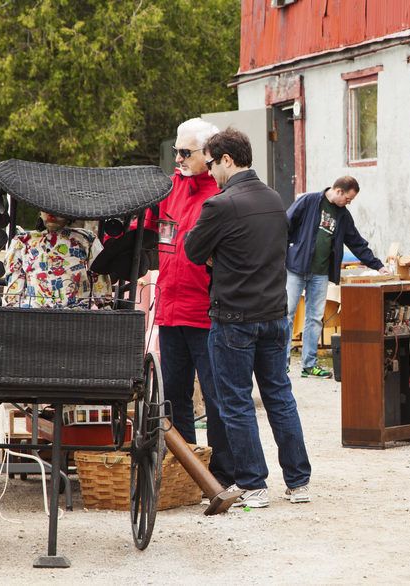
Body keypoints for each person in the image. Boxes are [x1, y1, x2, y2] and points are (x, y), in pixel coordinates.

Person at [184, 128, 312, 508]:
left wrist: (216, 256)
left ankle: (254, 484)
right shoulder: (274, 199)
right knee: (279, 397)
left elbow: (192, 250)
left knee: (235, 401)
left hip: (234, 316)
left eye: (211, 164)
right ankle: (298, 481)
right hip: (274, 314)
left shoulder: (221, 204)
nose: (209, 172)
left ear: (226, 159)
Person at [143, 118, 235, 489]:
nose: (178, 158)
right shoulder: (170, 188)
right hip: (171, 311)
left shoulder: (221, 192)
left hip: (208, 313)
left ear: (208, 153)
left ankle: (223, 473)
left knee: (216, 399)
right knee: (175, 398)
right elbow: (146, 228)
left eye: (185, 153)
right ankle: (185, 470)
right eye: (175, 151)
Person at [285, 176, 388, 378]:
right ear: (339, 191)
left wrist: (378, 265)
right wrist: (286, 252)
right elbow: (286, 224)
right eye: (348, 199)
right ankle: (281, 365)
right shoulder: (309, 201)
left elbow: (356, 242)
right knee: (287, 315)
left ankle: (309, 365)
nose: (348, 203)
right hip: (296, 268)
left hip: (321, 273)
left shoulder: (343, 216)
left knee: (315, 318)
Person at [2, 211, 112, 308]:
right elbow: (14, 283)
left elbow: (99, 272)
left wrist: (104, 305)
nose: (51, 215)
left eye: (56, 211)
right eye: (46, 210)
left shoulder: (85, 239)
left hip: (76, 312)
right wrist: (12, 308)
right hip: (34, 311)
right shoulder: (23, 240)